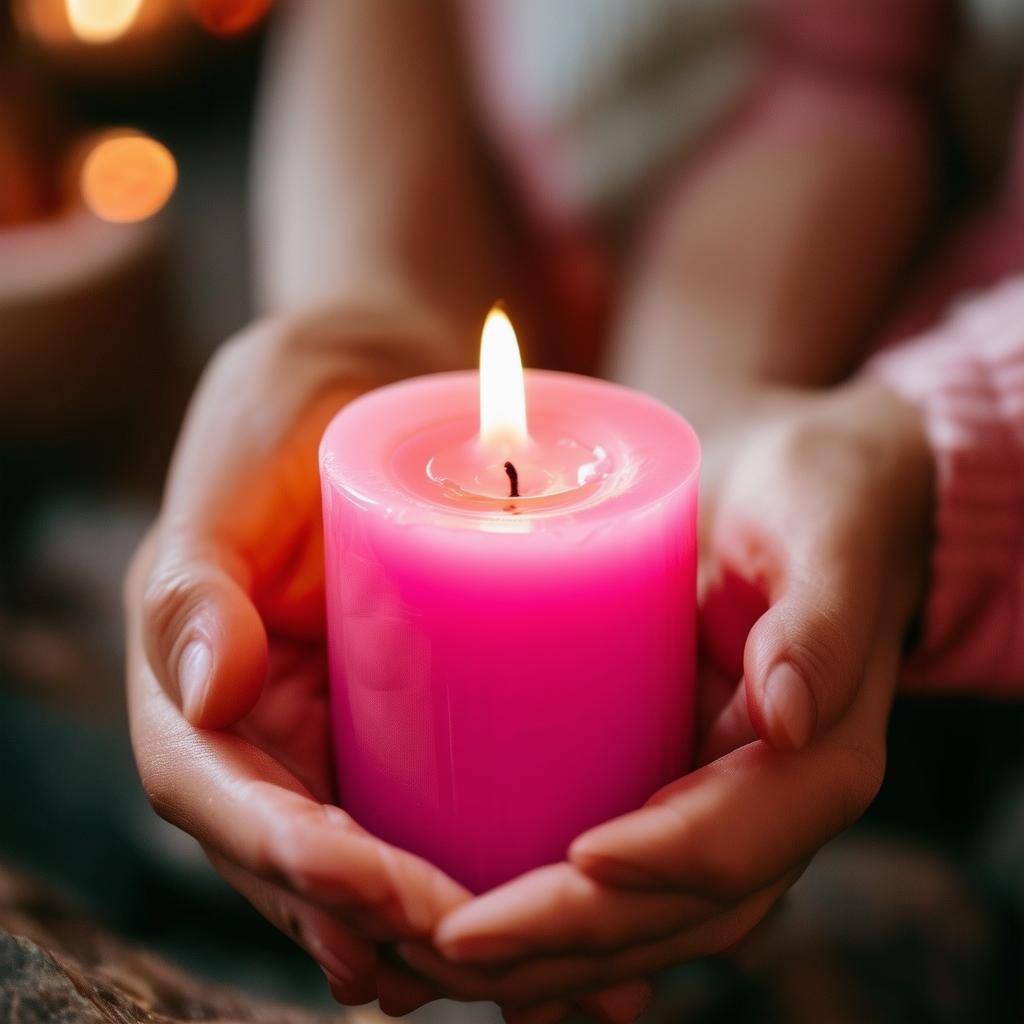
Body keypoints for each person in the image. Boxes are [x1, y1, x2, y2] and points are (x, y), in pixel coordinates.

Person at [123, 0, 1024, 1019]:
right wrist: (373, 301)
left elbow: (853, 90)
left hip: (950, 644)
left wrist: (922, 450)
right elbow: (840, 61)